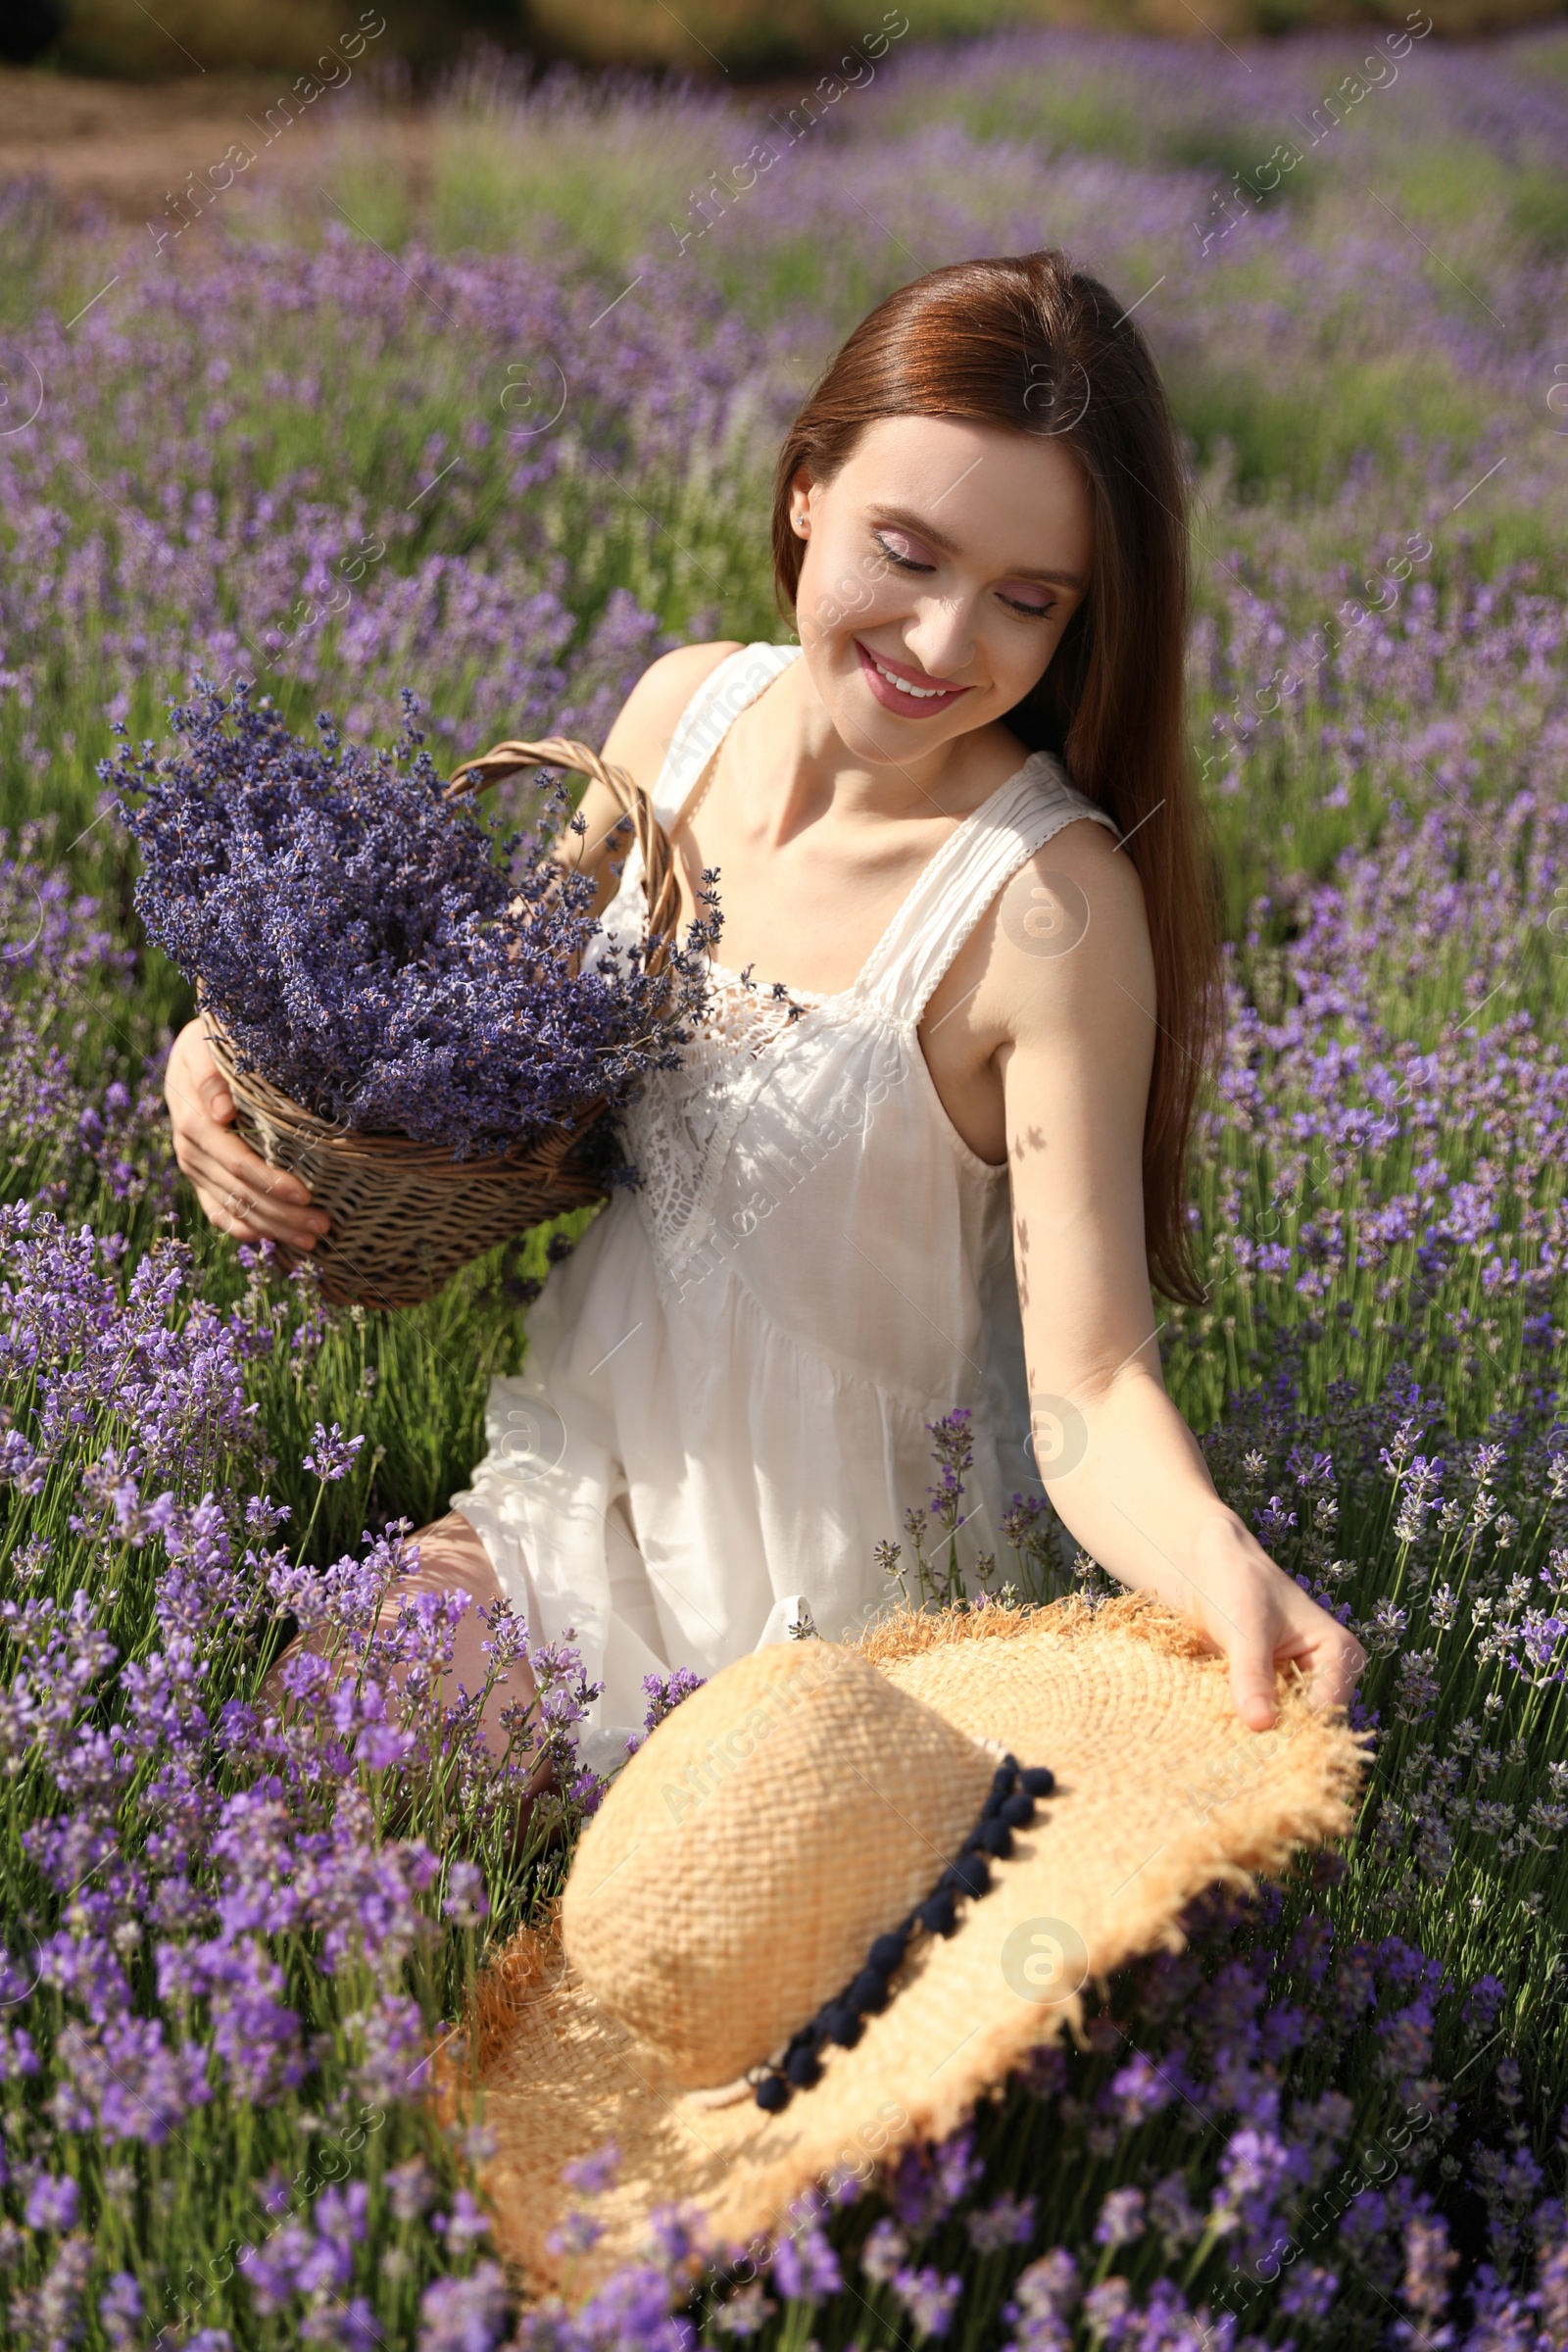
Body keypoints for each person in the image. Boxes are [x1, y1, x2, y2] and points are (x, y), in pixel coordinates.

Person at [164, 250, 1366, 1778]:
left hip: (851, 1603)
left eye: (1025, 599)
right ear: (807, 489)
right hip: (574, 1489)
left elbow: (1092, 1381)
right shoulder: (683, 717)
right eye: (908, 552)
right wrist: (232, 1049)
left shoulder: (1046, 910)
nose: (944, 643)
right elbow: (475, 1038)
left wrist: (1218, 1564)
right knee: (322, 1742)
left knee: (706, 1923)